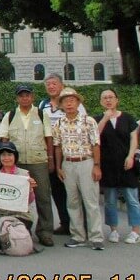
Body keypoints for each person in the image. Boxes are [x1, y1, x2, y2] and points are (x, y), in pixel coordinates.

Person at [0, 84, 55, 247]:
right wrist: (7, 161)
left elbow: (49, 137)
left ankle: (45, 232)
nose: (24, 98)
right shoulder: (10, 115)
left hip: (38, 161)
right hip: (18, 162)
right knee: (17, 198)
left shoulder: (41, 114)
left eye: (27, 95)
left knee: (43, 196)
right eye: (21, 95)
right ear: (17, 98)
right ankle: (21, 229)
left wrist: (50, 158)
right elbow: (4, 138)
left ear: (32, 97)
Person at [52, 88, 104, 250]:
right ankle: (78, 236)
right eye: (65, 101)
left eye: (72, 100)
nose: (69, 103)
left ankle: (96, 237)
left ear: (78, 102)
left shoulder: (89, 121)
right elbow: (57, 147)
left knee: (91, 201)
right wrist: (59, 167)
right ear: (61, 105)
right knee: (72, 201)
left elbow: (96, 144)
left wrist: (96, 165)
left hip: (86, 162)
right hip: (68, 163)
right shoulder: (59, 123)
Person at [96, 89, 140, 244]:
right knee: (109, 200)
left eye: (111, 97)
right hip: (108, 165)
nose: (108, 100)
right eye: (105, 98)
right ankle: (113, 230)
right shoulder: (97, 119)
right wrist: (105, 118)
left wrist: (130, 156)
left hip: (126, 164)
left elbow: (134, 138)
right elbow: (95, 137)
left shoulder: (128, 118)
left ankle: (135, 231)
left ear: (117, 100)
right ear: (101, 101)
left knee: (132, 198)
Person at [40, 74, 84, 236]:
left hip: (72, 152)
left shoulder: (72, 103)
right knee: (57, 190)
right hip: (51, 153)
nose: (51, 87)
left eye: (54, 84)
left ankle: (80, 225)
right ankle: (65, 223)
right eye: (48, 84)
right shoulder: (43, 105)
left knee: (74, 191)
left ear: (61, 85)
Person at [0, 143, 38, 256]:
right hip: (3, 216)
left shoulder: (24, 174)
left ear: (15, 156)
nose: (6, 158)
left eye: (10, 155)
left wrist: (30, 189)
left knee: (15, 234)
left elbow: (30, 201)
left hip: (21, 215)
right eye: (3, 155)